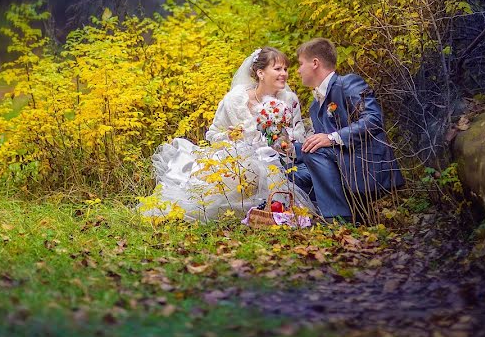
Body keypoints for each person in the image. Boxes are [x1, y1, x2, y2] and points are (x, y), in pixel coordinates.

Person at [141, 47, 313, 223]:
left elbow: (298, 135)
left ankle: (265, 213)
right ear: (261, 73)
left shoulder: (289, 100)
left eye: (285, 69)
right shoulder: (235, 100)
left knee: (269, 172)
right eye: (277, 69)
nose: (284, 74)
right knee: (242, 172)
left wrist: (281, 138)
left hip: (277, 158)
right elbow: (213, 134)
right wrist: (230, 137)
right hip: (239, 158)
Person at [291, 38, 405, 223]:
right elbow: (322, 143)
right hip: (340, 165)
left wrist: (332, 138)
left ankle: (339, 219)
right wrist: (289, 150)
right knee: (289, 171)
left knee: (314, 152)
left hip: (365, 164)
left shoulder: (348, 83)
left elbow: (373, 120)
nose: (298, 70)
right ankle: (352, 214)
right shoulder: (314, 106)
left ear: (315, 63)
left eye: (300, 64)